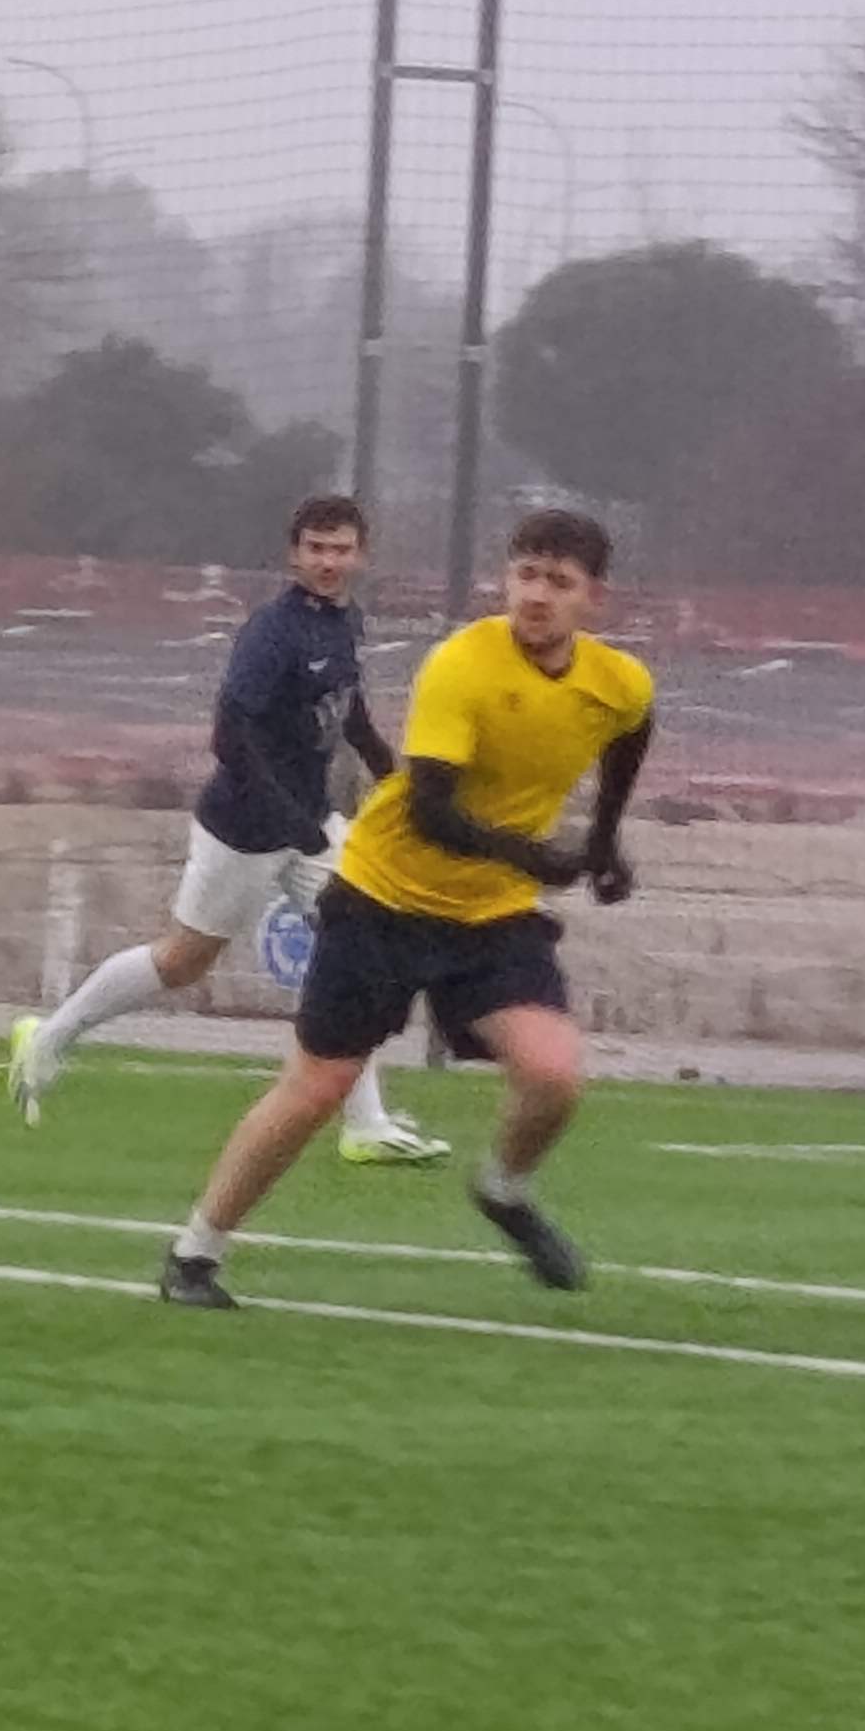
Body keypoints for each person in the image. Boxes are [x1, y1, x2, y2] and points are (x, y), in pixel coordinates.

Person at [159, 509, 654, 1311]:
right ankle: (195, 1253)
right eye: (526, 575)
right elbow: (430, 811)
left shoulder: (617, 680)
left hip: (490, 916)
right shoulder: (462, 665)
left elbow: (632, 730)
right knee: (319, 1086)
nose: (537, 595)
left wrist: (604, 842)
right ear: (506, 579)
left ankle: (503, 1191)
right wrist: (543, 858)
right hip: (382, 902)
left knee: (554, 1074)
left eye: (559, 583)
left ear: (593, 597)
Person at [9, 493, 442, 1163]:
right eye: (317, 548)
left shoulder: (343, 621)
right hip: (244, 829)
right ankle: (48, 1037)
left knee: (356, 951)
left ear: (361, 555)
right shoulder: (272, 633)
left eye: (341, 548)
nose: (329, 561)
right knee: (183, 961)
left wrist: (391, 777)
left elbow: (348, 709)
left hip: (310, 826)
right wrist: (289, 819)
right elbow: (230, 736)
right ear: (294, 554)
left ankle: (366, 1126)